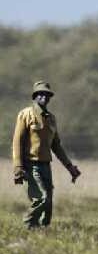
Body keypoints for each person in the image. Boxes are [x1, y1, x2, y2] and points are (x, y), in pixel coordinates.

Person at [11, 81, 81, 229]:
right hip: (30, 165)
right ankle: (28, 225)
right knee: (41, 198)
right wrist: (18, 167)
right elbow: (17, 142)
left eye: (47, 94)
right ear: (35, 96)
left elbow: (56, 146)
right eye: (40, 94)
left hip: (45, 165)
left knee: (48, 203)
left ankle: (41, 232)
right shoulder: (25, 114)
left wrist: (70, 167)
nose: (44, 97)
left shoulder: (51, 119)